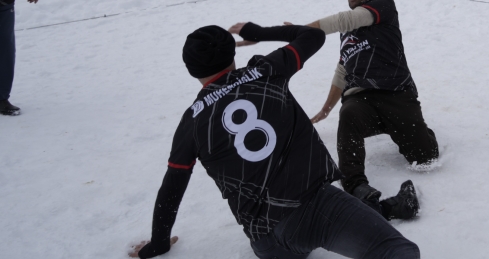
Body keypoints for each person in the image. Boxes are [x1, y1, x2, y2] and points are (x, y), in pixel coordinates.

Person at [128, 23, 419, 259]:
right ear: (231, 55)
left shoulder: (191, 121)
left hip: (268, 241)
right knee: (399, 252)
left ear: (191, 70)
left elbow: (171, 188)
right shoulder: (266, 70)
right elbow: (313, 35)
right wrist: (258, 32)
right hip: (317, 205)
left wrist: (159, 244)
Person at [307, 0, 438, 221]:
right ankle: (355, 184)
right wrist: (326, 109)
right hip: (361, 99)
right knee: (349, 114)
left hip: (396, 94)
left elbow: (347, 18)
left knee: (425, 158)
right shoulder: (345, 32)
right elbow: (343, 70)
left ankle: (415, 130)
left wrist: (297, 31)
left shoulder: (384, 6)